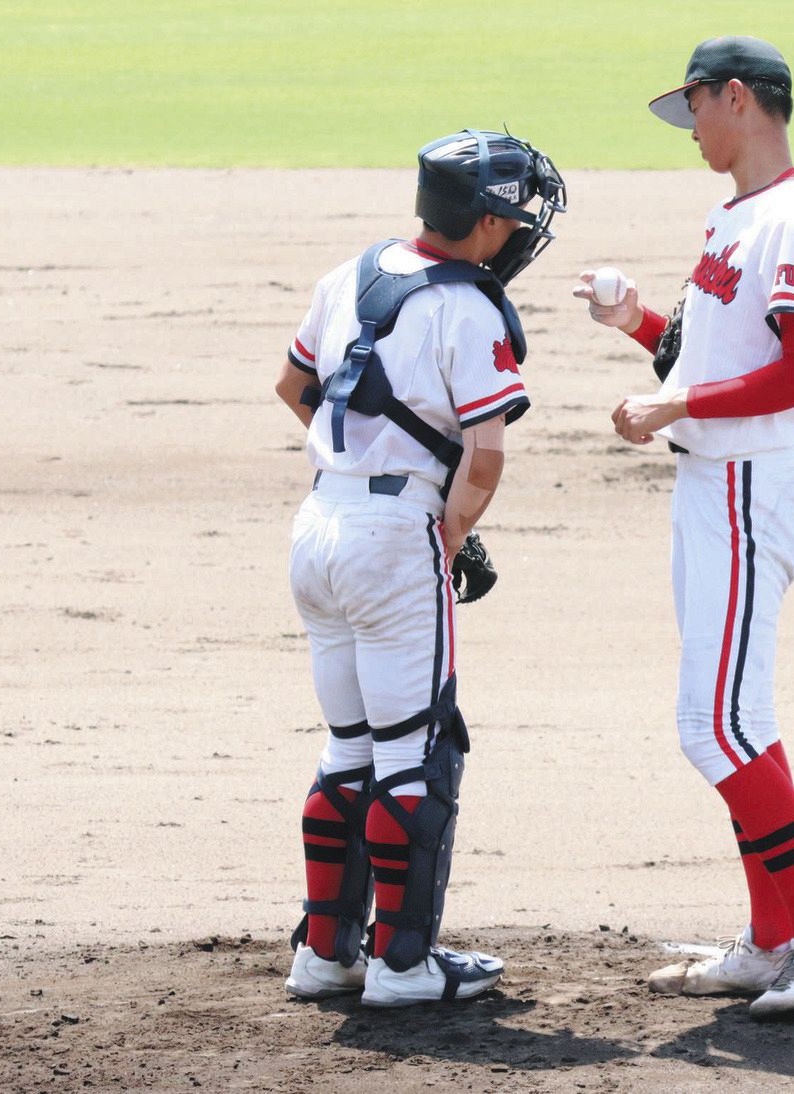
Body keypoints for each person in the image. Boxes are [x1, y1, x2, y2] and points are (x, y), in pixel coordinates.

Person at [575, 36, 794, 1016]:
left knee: (714, 725)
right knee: (739, 720)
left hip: (747, 488)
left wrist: (672, 404)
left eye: (693, 107)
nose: (688, 128)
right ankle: (770, 937)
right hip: (709, 488)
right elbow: (703, 357)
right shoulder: (733, 214)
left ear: (735, 98)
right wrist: (636, 323)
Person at [276, 129, 566, 1007]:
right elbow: (484, 457)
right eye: (513, 218)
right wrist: (448, 531)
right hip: (394, 542)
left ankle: (324, 957)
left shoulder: (350, 274)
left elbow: (294, 390)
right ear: (484, 222)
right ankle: (405, 966)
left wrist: (364, 472)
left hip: (318, 527)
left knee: (349, 749)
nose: (521, 232)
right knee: (416, 753)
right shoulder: (468, 310)